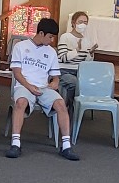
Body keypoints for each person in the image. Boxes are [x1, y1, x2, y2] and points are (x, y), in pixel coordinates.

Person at [6, 18, 79, 161]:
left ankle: (66, 146)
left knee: (61, 104)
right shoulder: (20, 47)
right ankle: (15, 143)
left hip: (44, 88)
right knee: (20, 102)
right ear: (41, 33)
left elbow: (55, 76)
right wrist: (29, 86)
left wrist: (55, 82)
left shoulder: (51, 52)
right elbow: (17, 73)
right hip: (24, 85)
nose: (52, 40)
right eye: (50, 37)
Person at [57, 11, 97, 104]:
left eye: (85, 22)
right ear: (73, 23)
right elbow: (62, 57)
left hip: (79, 72)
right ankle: (70, 108)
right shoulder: (65, 37)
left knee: (87, 83)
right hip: (64, 71)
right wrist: (77, 50)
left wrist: (90, 54)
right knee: (74, 83)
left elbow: (85, 63)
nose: (83, 24)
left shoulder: (86, 40)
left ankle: (78, 107)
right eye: (80, 22)